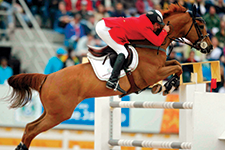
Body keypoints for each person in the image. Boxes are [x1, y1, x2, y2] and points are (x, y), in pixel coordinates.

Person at [95, 9, 170, 93]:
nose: (158, 27)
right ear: (152, 22)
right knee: (123, 52)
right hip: (104, 29)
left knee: (124, 50)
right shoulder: (144, 27)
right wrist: (164, 31)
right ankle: (112, 81)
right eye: (157, 25)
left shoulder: (145, 20)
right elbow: (157, 42)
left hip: (107, 26)